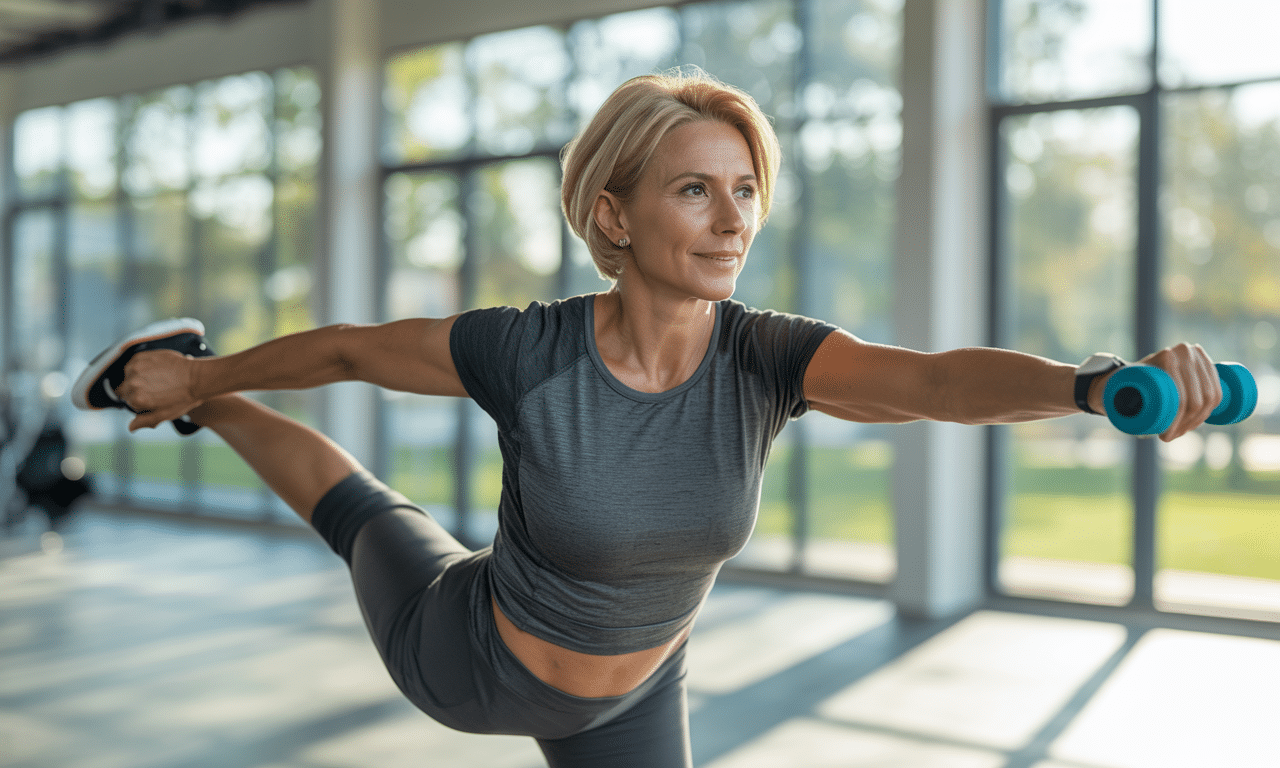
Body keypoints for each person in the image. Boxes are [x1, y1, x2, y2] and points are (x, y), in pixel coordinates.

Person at [72, 70, 1223, 767]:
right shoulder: (527, 351)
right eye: (693, 189)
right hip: (468, 658)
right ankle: (195, 387)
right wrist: (206, 384)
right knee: (362, 508)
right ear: (613, 216)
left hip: (629, 704)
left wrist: (1090, 386)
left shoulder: (766, 358)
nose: (731, 220)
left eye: (744, 190)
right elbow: (344, 352)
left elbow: (930, 384)